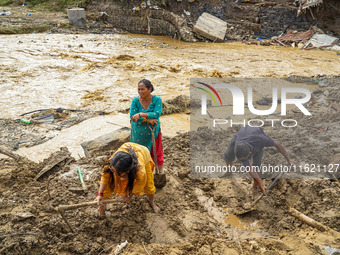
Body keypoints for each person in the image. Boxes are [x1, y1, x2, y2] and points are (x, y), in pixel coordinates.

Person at [94, 142, 159, 216]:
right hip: (126, 149)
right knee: (107, 188)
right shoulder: (111, 164)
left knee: (149, 186)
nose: (114, 175)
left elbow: (138, 186)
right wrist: (99, 194)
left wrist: (129, 197)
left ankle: (152, 202)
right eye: (113, 171)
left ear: (127, 171)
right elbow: (105, 177)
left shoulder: (140, 171)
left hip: (143, 153)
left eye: (117, 172)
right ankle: (101, 213)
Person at [224, 125, 292, 195]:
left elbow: (277, 144)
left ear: (250, 153)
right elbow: (249, 168)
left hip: (256, 134)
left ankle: (255, 186)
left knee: (257, 164)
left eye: (245, 158)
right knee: (228, 153)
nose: (244, 161)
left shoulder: (261, 140)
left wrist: (289, 160)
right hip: (241, 134)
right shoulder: (238, 149)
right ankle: (229, 171)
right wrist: (261, 184)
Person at [130, 79, 164, 173]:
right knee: (138, 153)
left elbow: (156, 114)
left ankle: (159, 172)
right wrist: (148, 119)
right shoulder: (135, 101)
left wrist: (141, 115)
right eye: (139, 89)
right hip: (138, 133)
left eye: (143, 89)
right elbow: (132, 117)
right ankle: (140, 172)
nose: (140, 92)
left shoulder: (157, 99)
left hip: (153, 131)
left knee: (156, 152)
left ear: (149, 89)